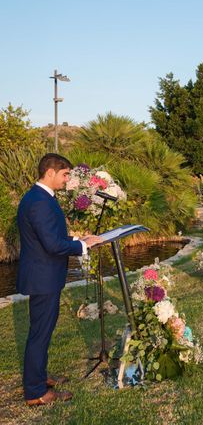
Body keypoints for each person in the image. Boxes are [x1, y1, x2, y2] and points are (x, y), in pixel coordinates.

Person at [17, 153, 103, 406]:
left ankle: (40, 377)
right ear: (50, 172)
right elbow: (53, 244)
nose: (67, 180)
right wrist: (83, 246)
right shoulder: (39, 201)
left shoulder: (39, 197)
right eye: (65, 174)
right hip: (43, 278)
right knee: (40, 334)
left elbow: (52, 237)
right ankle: (35, 392)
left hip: (44, 275)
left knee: (42, 332)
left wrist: (78, 240)